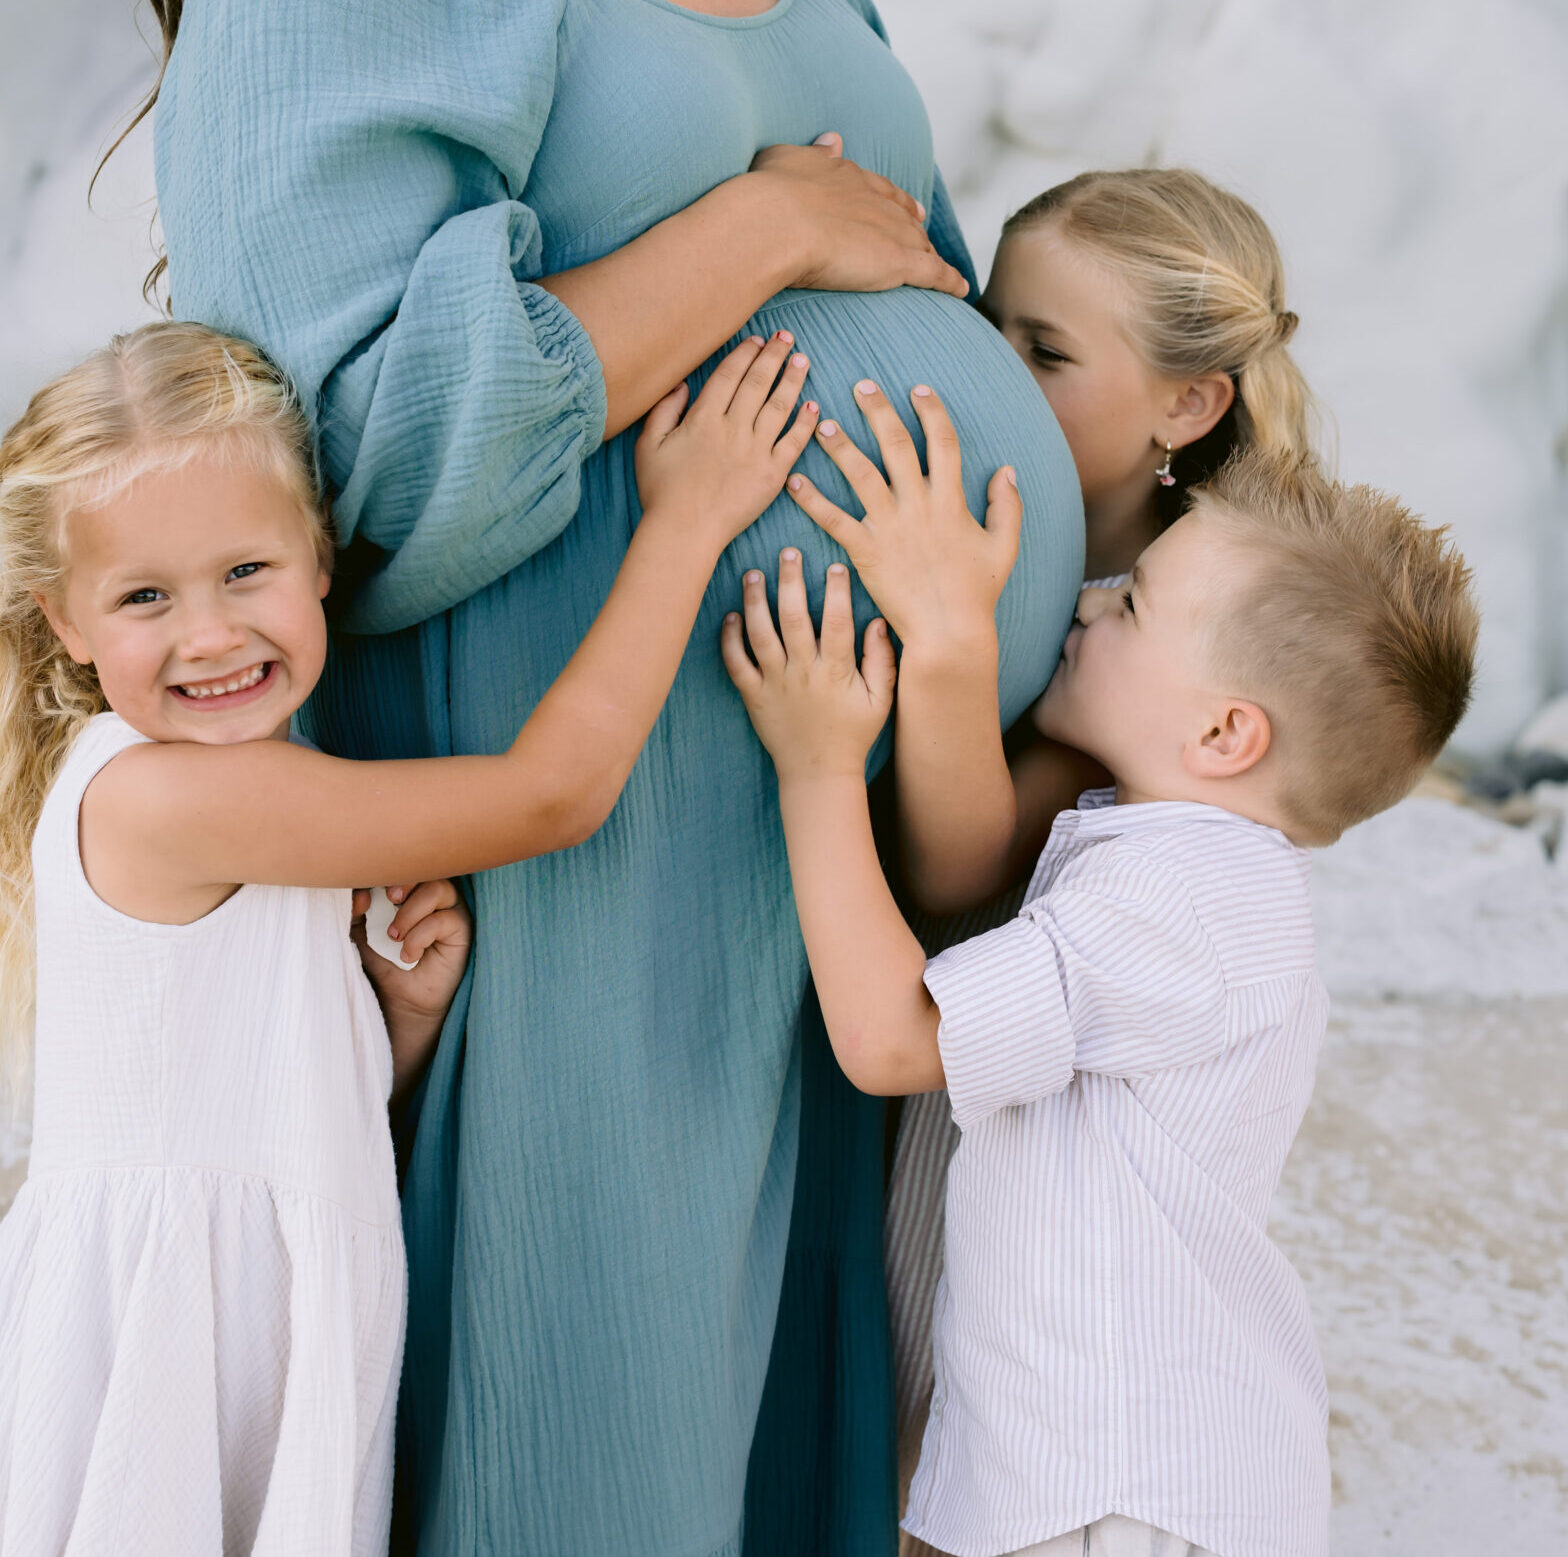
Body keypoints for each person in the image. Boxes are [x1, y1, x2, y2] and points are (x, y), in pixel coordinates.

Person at [149, 5, 1087, 1547]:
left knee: (791, 1364)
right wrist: (762, 228)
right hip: (591, 825)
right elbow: (354, 457)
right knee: (600, 1373)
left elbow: (921, 276)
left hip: (838, 814)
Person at [0, 321, 823, 1555]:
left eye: (245, 572)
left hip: (229, 1320)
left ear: (317, 557)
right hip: (158, 1350)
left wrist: (392, 1029)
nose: (208, 634)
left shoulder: (244, 788)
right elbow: (551, 796)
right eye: (145, 597)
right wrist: (685, 522)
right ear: (64, 621)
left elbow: (253, 1109)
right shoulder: (167, 794)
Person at [725, 397, 1477, 1555]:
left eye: (1129, 606)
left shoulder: (1175, 899)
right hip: (1110, 1470)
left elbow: (888, 1039)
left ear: (1224, 735)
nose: (1086, 605)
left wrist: (816, 766)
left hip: (1118, 1486)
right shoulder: (1185, 868)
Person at [876, 169, 1325, 1521]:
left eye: (1047, 353)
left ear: (1187, 407)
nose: (995, 373)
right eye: (988, 327)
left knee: (964, 1425)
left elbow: (961, 868)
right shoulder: (1052, 555)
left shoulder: (1146, 654)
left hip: (1003, 1080)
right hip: (968, 1043)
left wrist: (949, 643)